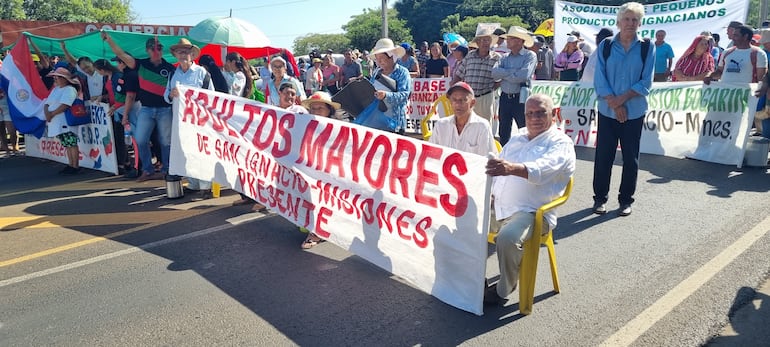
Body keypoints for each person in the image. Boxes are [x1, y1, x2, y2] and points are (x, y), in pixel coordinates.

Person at [483, 93, 576, 305]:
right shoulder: (518, 137)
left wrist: (511, 169)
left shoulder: (561, 143)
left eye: (541, 112)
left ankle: (502, 290)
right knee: (462, 223)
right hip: (500, 206)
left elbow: (543, 169)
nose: (535, 118)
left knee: (507, 238)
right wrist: (489, 195)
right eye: (530, 113)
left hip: (533, 212)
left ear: (553, 115)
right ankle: (474, 282)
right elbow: (498, 167)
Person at [593, 1, 655, 217]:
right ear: (619, 22)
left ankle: (625, 200)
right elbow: (599, 78)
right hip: (607, 110)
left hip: (634, 110)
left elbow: (646, 81)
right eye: (627, 19)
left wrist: (622, 100)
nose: (630, 23)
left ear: (640, 23)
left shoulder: (648, 47)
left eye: (635, 19)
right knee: (604, 156)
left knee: (631, 158)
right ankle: (599, 199)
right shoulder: (606, 45)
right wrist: (614, 102)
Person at [102, 32, 175, 183]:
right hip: (146, 109)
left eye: (159, 49)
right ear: (147, 51)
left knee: (165, 141)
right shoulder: (140, 64)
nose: (156, 52)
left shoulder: (170, 68)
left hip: (164, 110)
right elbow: (120, 54)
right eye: (152, 49)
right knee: (141, 140)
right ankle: (147, 170)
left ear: (162, 50)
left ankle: (166, 170)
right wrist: (109, 40)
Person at [164, 38, 215, 200]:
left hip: (199, 120)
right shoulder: (173, 73)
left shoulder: (202, 73)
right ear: (176, 55)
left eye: (186, 51)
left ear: (192, 54)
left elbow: (211, 96)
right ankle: (193, 183)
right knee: (187, 152)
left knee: (202, 151)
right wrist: (171, 95)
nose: (183, 54)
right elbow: (166, 96)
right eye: (180, 52)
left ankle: (206, 186)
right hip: (181, 121)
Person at [298, 91, 341, 249]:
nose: (316, 112)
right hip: (310, 170)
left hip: (329, 174)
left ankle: (316, 232)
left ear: (329, 110)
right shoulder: (304, 125)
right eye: (313, 108)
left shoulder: (340, 129)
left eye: (320, 108)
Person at [491, 26, 537, 146]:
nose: (507, 41)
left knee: (524, 129)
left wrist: (505, 72)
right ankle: (504, 155)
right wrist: (514, 72)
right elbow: (494, 73)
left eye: (510, 38)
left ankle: (526, 154)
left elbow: (524, 75)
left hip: (521, 98)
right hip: (505, 97)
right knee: (503, 131)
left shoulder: (530, 55)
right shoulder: (505, 56)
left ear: (519, 40)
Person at [429, 82, 496, 156]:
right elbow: (431, 155)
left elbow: (486, 161)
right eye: (454, 100)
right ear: (450, 102)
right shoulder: (441, 125)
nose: (458, 104)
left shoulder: (482, 126)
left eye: (462, 100)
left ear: (472, 103)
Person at [454, 27, 502, 123]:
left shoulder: (497, 58)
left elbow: (500, 80)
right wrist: (454, 90)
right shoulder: (470, 56)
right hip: (467, 97)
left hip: (485, 97)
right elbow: (458, 74)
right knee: (465, 124)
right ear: (477, 42)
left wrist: (490, 90)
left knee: (485, 125)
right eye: (482, 40)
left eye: (487, 40)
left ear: (491, 42)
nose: (485, 43)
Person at [93, 59, 131, 173]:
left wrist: (115, 106)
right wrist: (102, 97)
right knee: (116, 136)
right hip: (114, 108)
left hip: (120, 108)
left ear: (102, 70)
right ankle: (125, 161)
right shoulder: (107, 77)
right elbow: (109, 92)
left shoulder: (117, 76)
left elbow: (122, 94)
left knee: (120, 137)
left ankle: (122, 163)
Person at [370, 38, 413, 134]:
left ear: (391, 57)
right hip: (377, 121)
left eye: (382, 58)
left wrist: (386, 95)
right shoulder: (376, 72)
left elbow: (404, 95)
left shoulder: (402, 72)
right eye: (377, 58)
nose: (379, 61)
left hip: (395, 123)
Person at [44, 67, 82, 175]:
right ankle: (70, 164)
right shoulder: (56, 89)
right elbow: (47, 103)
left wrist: (52, 114)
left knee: (71, 143)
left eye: (58, 77)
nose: (55, 79)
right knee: (66, 143)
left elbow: (65, 105)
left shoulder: (70, 89)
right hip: (56, 121)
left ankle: (75, 165)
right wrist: (47, 112)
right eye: (55, 77)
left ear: (65, 79)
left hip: (65, 121)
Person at [0, 89, 18, 155]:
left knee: (12, 131)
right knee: (1, 132)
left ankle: (14, 148)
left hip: (8, 108)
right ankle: (7, 151)